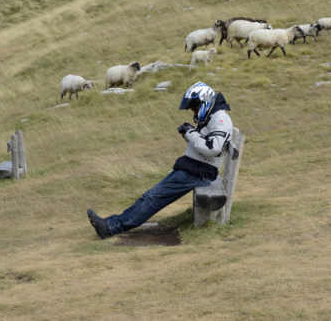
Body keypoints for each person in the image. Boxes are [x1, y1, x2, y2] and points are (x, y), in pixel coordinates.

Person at [87, 81, 233, 239]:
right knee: (149, 196)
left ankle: (110, 228)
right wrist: (188, 133)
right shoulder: (214, 116)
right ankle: (111, 224)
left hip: (198, 172)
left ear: (204, 102)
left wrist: (191, 132)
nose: (194, 112)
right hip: (193, 168)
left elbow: (212, 148)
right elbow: (205, 144)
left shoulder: (220, 119)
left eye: (194, 107)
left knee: (152, 199)